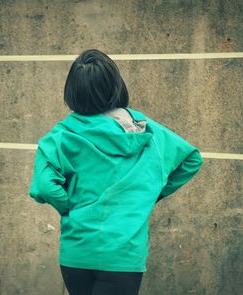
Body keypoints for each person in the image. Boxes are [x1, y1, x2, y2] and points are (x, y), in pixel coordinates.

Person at [29, 49, 203, 295]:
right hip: (124, 255)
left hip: (77, 252)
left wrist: (70, 208)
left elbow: (46, 186)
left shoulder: (61, 135)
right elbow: (191, 159)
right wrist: (153, 193)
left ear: (72, 91)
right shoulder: (146, 130)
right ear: (116, 85)